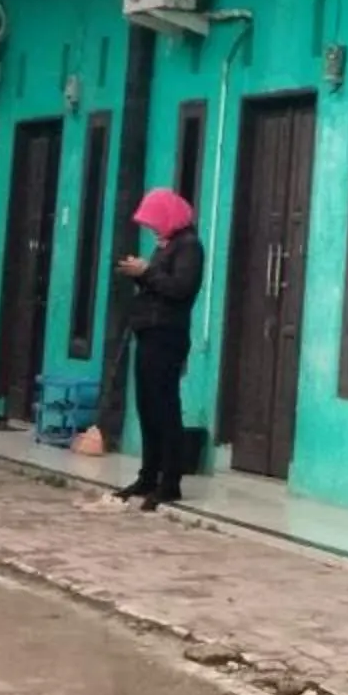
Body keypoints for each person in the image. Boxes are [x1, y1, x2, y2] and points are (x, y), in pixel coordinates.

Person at [110, 186, 203, 511]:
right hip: (149, 332)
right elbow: (159, 285)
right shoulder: (169, 245)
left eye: (155, 222)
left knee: (165, 408)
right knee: (147, 407)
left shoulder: (189, 247)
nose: (152, 229)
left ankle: (170, 481)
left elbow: (180, 288)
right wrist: (141, 274)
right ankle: (148, 475)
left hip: (167, 335)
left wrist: (146, 271)